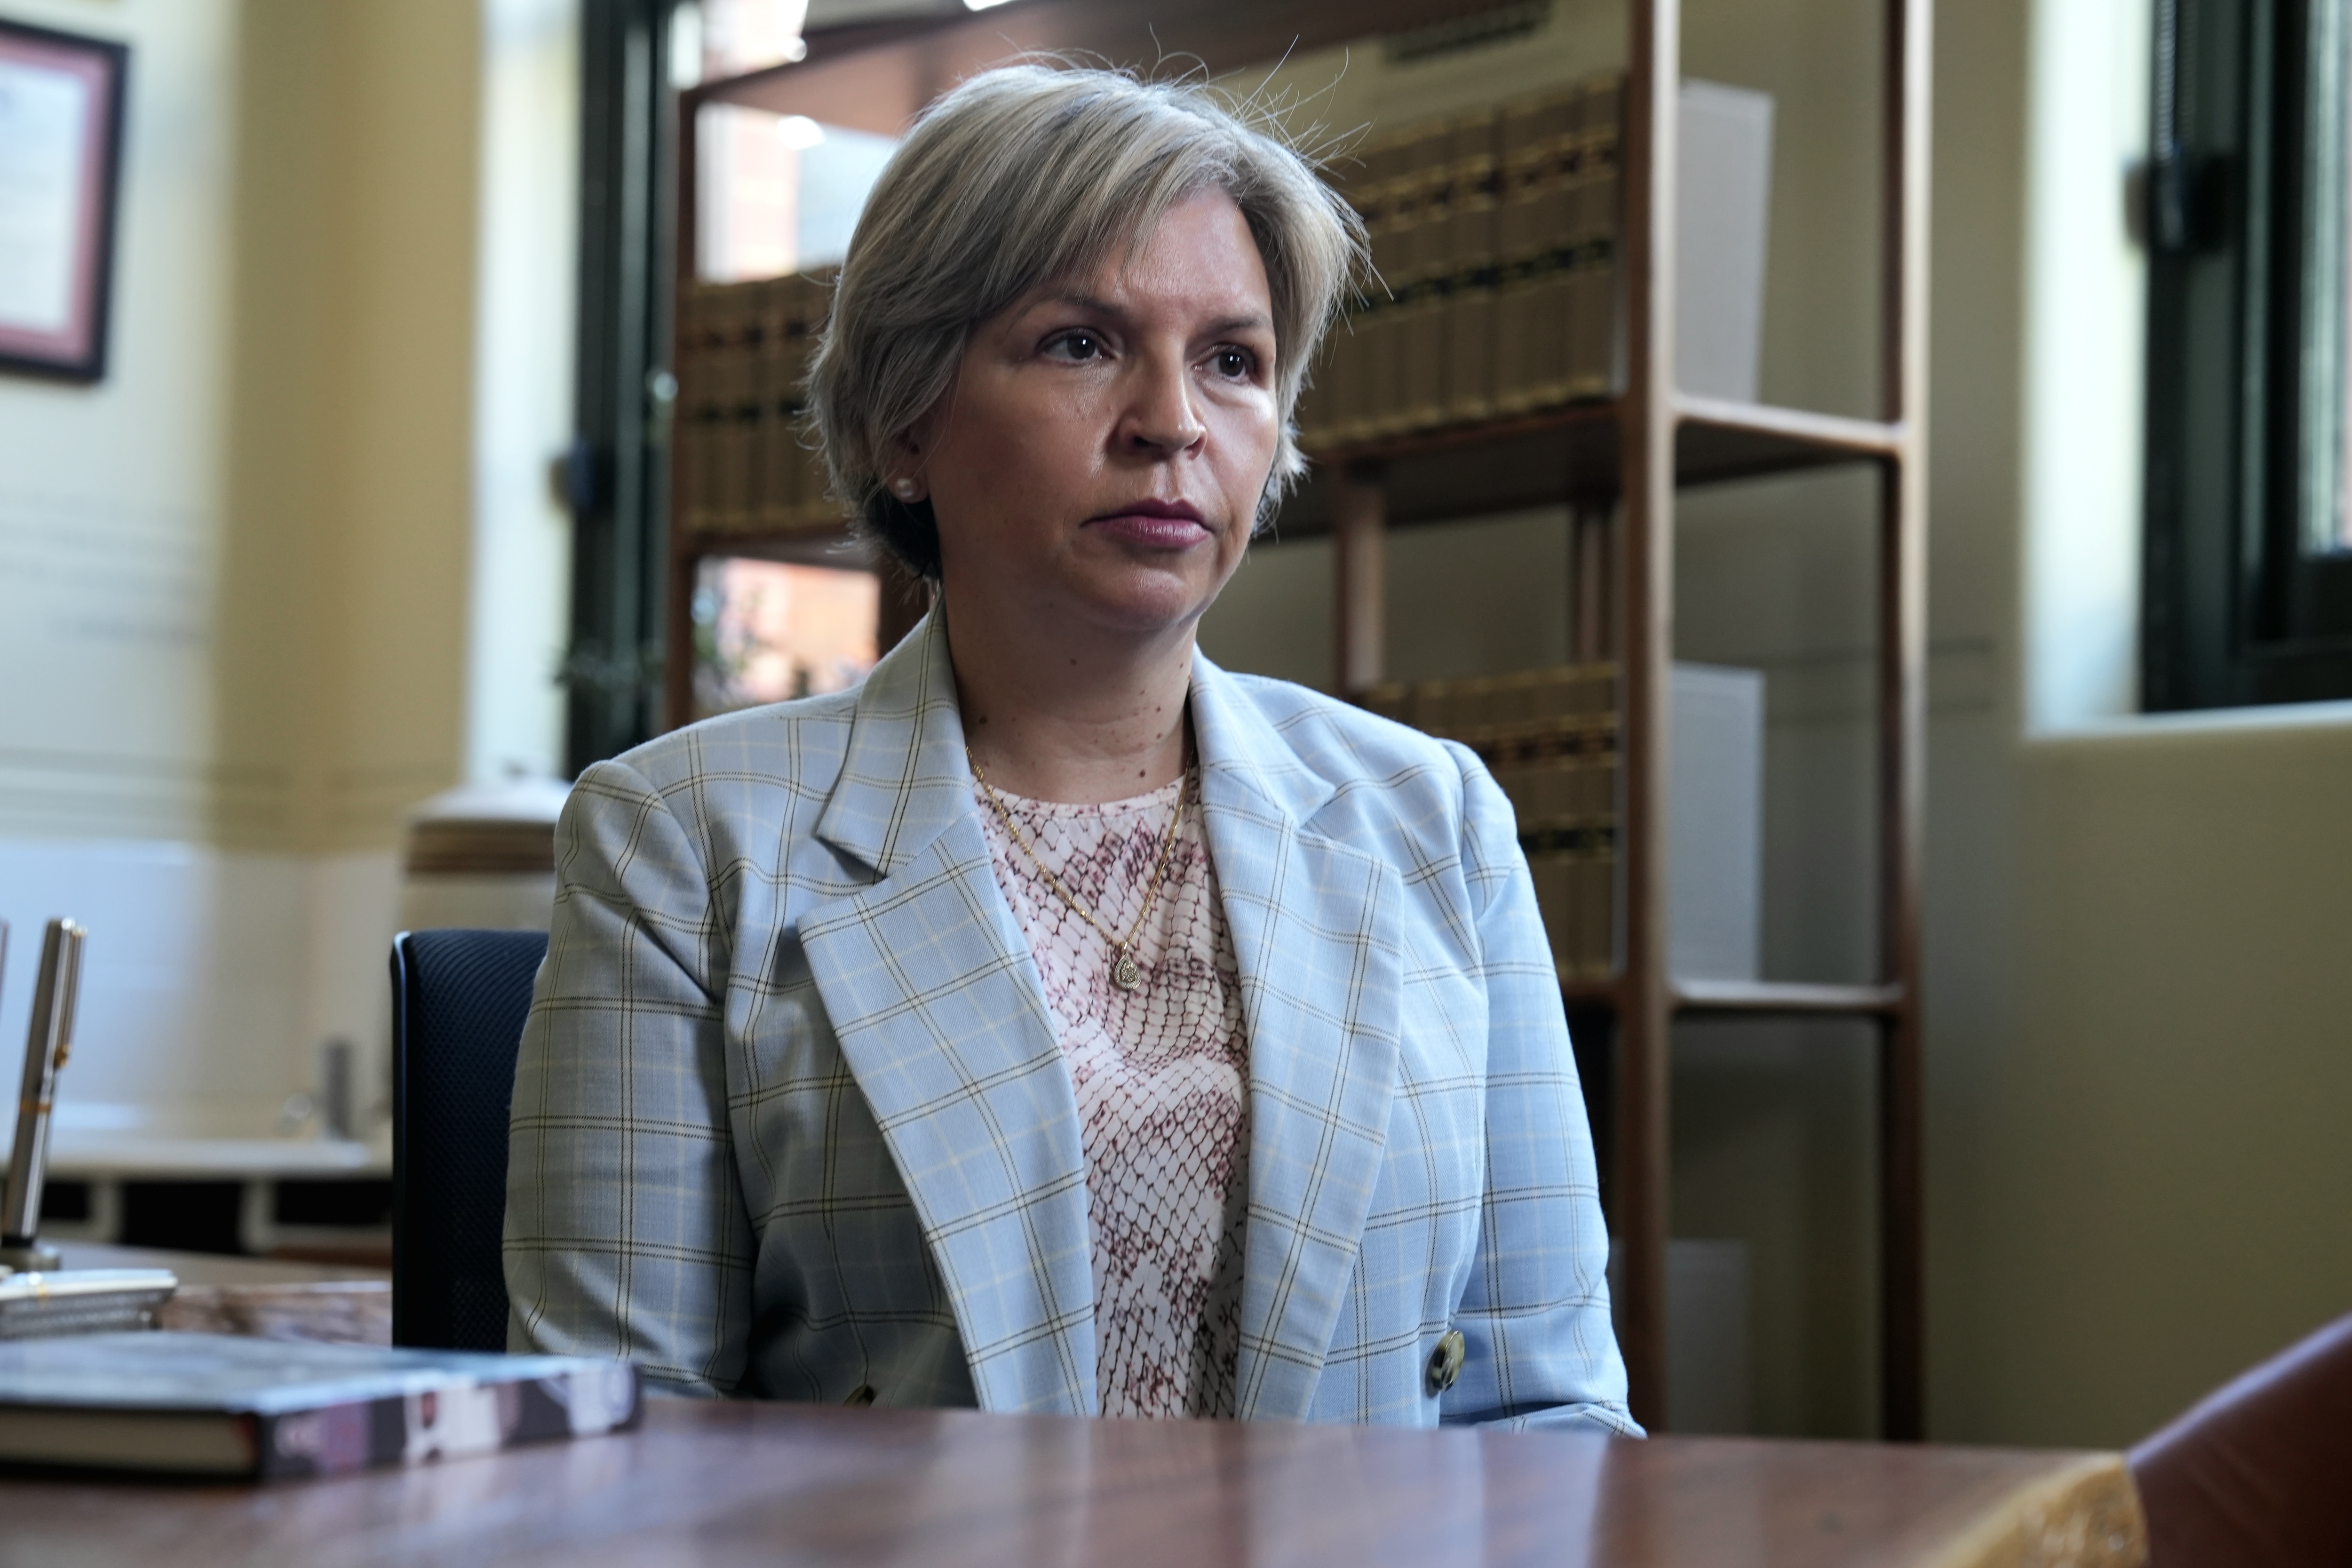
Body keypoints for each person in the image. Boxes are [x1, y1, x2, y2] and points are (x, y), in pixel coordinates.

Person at [504, 62, 1635, 1434]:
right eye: (1081, 343)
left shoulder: (1429, 815)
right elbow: (622, 1448)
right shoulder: (683, 839)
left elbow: (1546, 1414)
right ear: (905, 418)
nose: (1173, 421)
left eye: (1234, 359)